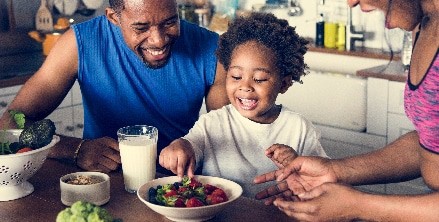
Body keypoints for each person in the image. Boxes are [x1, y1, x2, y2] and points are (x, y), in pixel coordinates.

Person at [254, 0, 439, 221]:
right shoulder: (426, 24)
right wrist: (336, 170)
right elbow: (430, 140)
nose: (351, 3)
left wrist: (358, 205)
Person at [0, 0, 229, 173]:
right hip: (105, 182)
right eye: (141, 28)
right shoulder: (79, 44)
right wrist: (76, 149)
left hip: (177, 186)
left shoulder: (212, 48)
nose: (159, 40)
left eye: (170, 22)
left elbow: (229, 137)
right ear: (113, 17)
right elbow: (10, 122)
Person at [158, 12, 328, 197]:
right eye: (236, 77)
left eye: (259, 79)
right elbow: (191, 145)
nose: (245, 87)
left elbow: (323, 180)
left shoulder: (299, 128)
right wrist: (179, 146)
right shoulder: (213, 122)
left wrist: (296, 163)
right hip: (222, 214)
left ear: (284, 84)